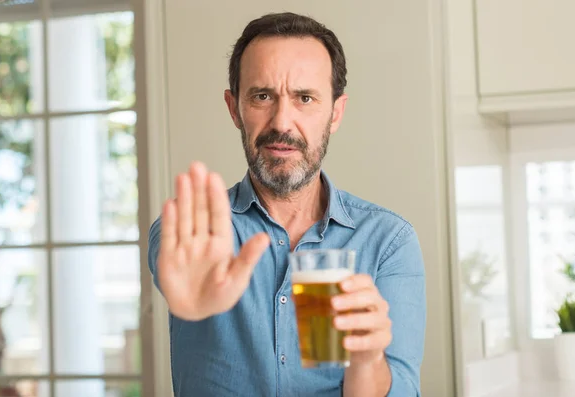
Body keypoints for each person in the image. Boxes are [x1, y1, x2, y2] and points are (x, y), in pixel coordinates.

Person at [148, 12, 426, 397]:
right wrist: (193, 297)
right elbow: (172, 264)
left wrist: (367, 359)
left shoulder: (388, 241)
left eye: (305, 98)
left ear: (335, 113)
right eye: (262, 96)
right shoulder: (193, 229)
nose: (282, 122)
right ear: (234, 109)